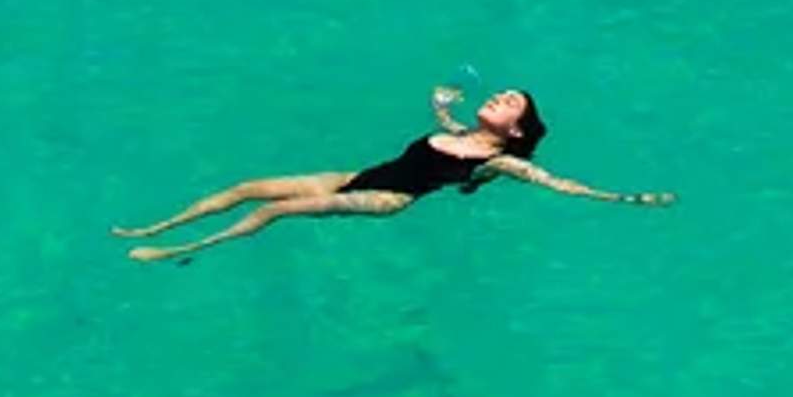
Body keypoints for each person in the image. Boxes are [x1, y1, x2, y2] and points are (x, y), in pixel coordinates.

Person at [111, 85, 674, 261]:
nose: (499, 98)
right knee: (245, 188)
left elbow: (559, 183)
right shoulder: (458, 133)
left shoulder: (499, 159)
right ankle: (153, 230)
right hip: (359, 173)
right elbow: (446, 130)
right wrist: (438, 104)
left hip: (388, 196)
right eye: (501, 94)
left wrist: (627, 199)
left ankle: (187, 250)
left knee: (275, 210)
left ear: (517, 132)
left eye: (509, 104)